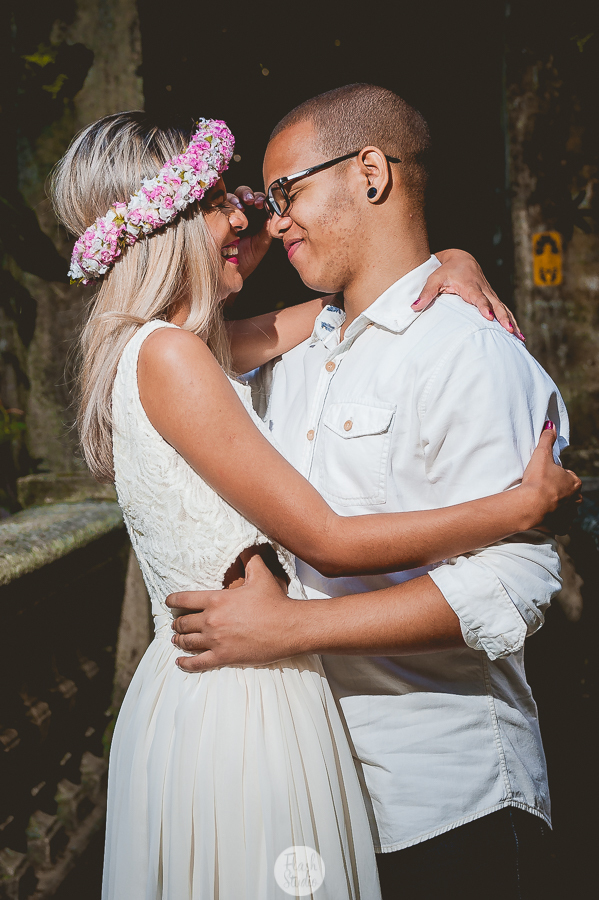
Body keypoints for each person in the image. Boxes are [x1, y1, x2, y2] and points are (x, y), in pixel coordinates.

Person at [50, 110, 579, 900]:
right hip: (251, 717)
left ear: (371, 173)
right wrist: (518, 506)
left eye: (274, 193)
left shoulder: (446, 348)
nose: (256, 214)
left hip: (424, 782)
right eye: (233, 198)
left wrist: (449, 258)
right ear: (171, 223)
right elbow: (325, 537)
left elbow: (514, 580)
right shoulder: (196, 357)